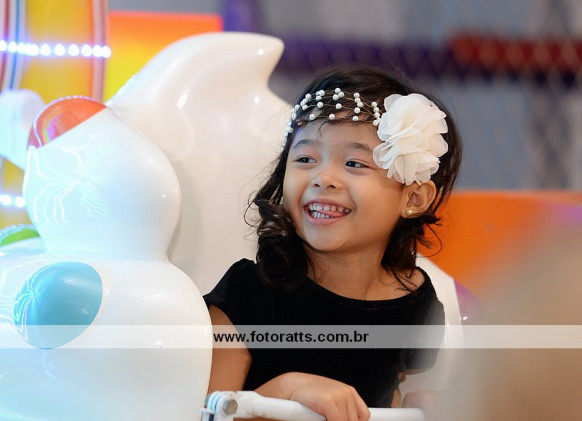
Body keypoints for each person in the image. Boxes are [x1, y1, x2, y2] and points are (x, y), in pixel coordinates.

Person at [204, 65, 463, 421]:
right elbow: (209, 412)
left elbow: (384, 398)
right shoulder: (247, 295)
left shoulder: (416, 305)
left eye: (354, 163)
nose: (323, 178)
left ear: (413, 198)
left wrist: (416, 411)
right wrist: (286, 390)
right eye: (305, 159)